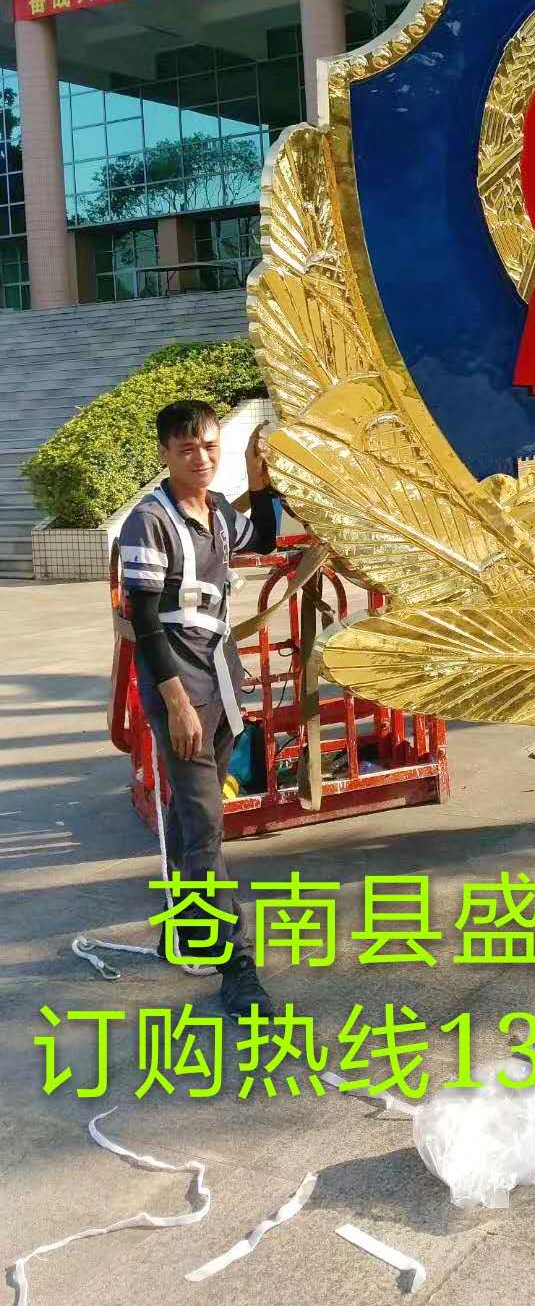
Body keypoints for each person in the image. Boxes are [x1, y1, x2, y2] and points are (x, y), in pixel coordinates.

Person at [117, 399, 279, 1019]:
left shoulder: (216, 513)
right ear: (165, 453)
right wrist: (176, 703)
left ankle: (185, 927)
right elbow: (144, 619)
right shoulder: (150, 522)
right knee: (206, 824)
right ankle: (236, 966)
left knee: (192, 822)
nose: (201, 458)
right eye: (187, 449)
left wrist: (258, 482)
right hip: (178, 689)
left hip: (218, 682)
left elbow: (263, 536)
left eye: (210, 447)